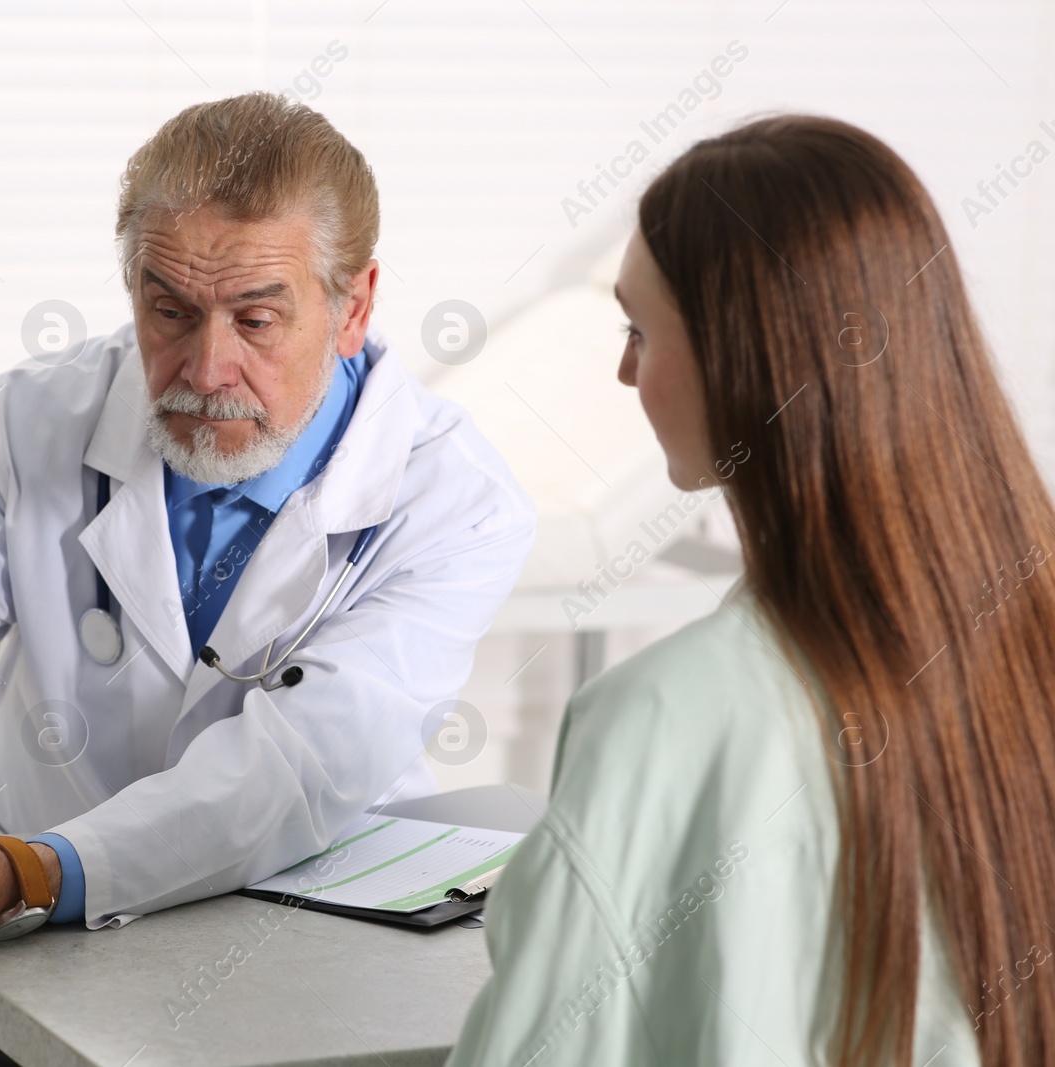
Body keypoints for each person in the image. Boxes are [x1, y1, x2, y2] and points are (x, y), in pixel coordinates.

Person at [0, 92, 534, 1062]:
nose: (206, 365)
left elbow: (306, 760)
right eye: (168, 309)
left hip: (309, 934)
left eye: (257, 319)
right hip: (22, 956)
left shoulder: (448, 493)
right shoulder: (32, 421)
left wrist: (33, 871)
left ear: (351, 307)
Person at [447, 114, 1055, 1066]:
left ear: (747, 357)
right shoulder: (1029, 639)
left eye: (639, 330)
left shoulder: (664, 716)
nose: (622, 369)